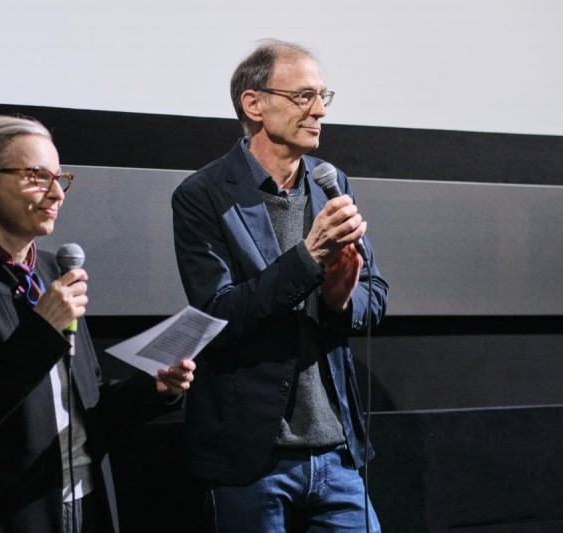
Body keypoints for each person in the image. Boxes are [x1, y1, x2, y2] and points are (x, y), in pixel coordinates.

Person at [0, 114, 195, 533]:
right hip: (10, 514)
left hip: (88, 501)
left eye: (60, 178)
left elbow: (88, 406)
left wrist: (155, 389)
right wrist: (42, 329)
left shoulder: (53, 271)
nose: (56, 193)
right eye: (37, 177)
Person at [171, 39, 388, 531]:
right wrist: (309, 258)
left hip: (337, 452)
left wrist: (339, 300)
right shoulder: (201, 195)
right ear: (254, 104)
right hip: (254, 457)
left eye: (323, 98)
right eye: (303, 97)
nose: (319, 112)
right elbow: (219, 315)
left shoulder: (332, 182)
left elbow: (374, 295)